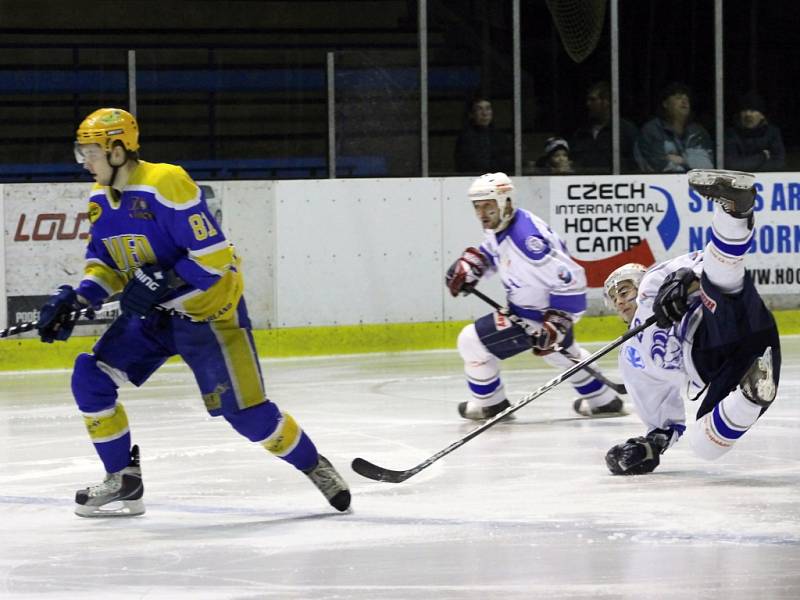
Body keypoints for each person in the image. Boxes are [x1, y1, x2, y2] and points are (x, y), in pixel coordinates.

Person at [35, 108, 350, 516]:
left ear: (117, 150)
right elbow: (106, 265)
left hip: (210, 315)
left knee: (248, 417)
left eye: (90, 152)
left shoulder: (167, 183)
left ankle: (313, 465)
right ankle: (123, 480)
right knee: (90, 377)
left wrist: (161, 282)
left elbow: (215, 258)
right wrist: (77, 298)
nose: (84, 161)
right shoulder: (99, 200)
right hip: (155, 316)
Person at [603, 169, 780, 475]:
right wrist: (649, 447)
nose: (619, 299)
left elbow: (709, 261)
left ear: (639, 280)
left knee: (721, 280)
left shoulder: (653, 283)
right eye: (613, 298)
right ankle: (753, 392)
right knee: (704, 445)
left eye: (623, 289)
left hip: (724, 324)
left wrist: (686, 279)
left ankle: (735, 209)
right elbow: (664, 423)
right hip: (732, 367)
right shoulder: (633, 359)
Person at [446, 172, 624, 421]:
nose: (482, 213)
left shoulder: (528, 241)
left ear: (506, 202)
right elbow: (493, 249)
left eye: (488, 205)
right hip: (536, 312)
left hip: (538, 317)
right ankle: (604, 401)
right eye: (478, 206)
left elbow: (571, 278)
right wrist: (472, 265)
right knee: (563, 355)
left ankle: (490, 404)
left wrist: (556, 324)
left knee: (471, 342)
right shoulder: (505, 223)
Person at [634, 82, 714, 173]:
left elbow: (707, 165)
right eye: (678, 98)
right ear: (665, 103)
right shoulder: (652, 130)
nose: (684, 101)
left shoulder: (697, 132)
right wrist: (691, 163)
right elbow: (656, 165)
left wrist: (681, 160)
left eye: (686, 99)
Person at [569, 81, 638, 173]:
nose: (588, 104)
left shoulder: (625, 130)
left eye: (593, 100)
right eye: (588, 100)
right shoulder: (581, 132)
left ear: (606, 102)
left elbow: (635, 164)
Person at [725, 91, 786, 172]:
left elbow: (779, 164)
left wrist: (749, 166)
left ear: (762, 115)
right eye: (744, 110)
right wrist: (763, 156)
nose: (748, 114)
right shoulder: (731, 134)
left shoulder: (772, 133)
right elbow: (732, 165)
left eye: (753, 110)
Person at [454, 96, 513, 174]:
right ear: (471, 114)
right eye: (479, 109)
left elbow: (507, 161)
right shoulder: (466, 138)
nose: (485, 113)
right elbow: (470, 165)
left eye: (488, 108)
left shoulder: (500, 137)